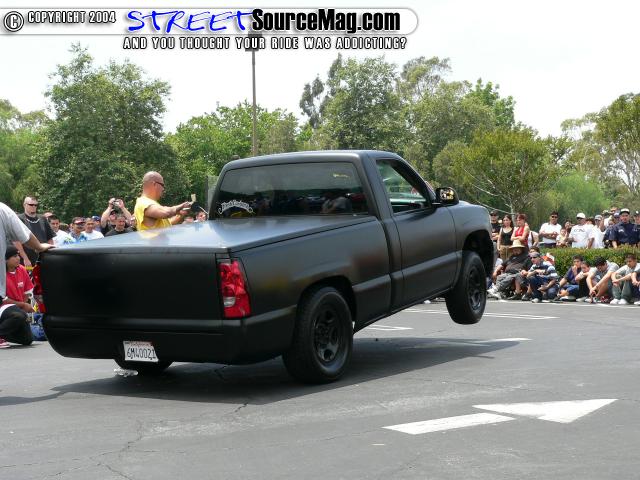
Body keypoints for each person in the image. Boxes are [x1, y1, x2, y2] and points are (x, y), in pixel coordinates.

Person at [0, 202, 52, 347]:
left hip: (7, 307)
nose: (18, 258)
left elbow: (28, 294)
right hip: (7, 304)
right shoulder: (2, 209)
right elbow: (24, 235)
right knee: (19, 315)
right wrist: (39, 247)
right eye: (14, 256)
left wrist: (23, 305)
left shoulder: (21, 270)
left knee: (26, 337)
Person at [13, 196, 55, 267]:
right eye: (31, 205)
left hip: (44, 258)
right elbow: (16, 241)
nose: (34, 206)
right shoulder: (19, 219)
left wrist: (52, 255)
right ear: (24, 205)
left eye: (35, 205)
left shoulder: (43, 218)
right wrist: (25, 258)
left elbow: (50, 239)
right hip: (26, 260)